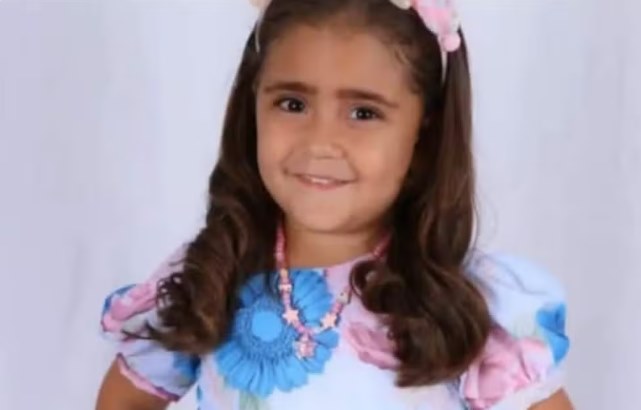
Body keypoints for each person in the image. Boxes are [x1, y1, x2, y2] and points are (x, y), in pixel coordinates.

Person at [96, 0, 572, 409]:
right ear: (252, 104)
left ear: (423, 135)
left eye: (363, 113)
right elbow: (125, 399)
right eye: (292, 104)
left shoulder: (465, 311)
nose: (320, 141)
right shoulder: (210, 279)